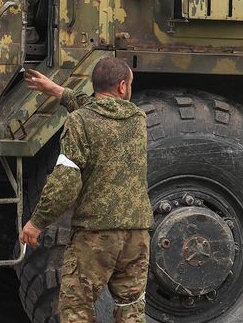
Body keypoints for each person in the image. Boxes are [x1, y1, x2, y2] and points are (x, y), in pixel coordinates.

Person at [20, 60, 153, 323]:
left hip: (96, 235)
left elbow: (66, 182)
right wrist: (58, 91)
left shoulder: (79, 122)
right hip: (136, 236)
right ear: (123, 86)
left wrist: (37, 223)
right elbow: (98, 111)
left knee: (77, 309)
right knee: (131, 309)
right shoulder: (138, 119)